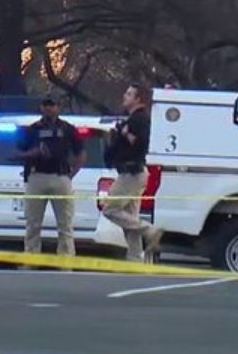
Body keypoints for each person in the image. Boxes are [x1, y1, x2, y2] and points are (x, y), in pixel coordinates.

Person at [17, 98, 86, 259]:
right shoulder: (33, 129)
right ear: (41, 107)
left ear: (58, 108)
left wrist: (71, 174)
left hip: (60, 177)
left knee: (65, 224)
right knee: (33, 224)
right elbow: (16, 152)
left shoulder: (68, 129)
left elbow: (81, 152)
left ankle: (66, 259)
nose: (49, 109)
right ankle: (31, 258)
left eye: (52, 105)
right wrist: (32, 153)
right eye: (46, 105)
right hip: (37, 177)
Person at [103, 84, 165, 261]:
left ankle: (149, 230)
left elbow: (140, 143)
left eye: (129, 94)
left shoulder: (140, 119)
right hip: (131, 172)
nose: (125, 96)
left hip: (132, 172)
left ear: (138, 99)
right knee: (130, 218)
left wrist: (124, 133)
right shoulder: (132, 119)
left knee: (110, 209)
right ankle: (135, 259)